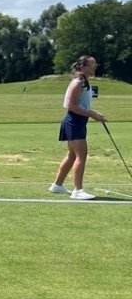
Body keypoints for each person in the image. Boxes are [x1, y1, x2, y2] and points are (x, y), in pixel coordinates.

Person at [50, 55, 106, 200]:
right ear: (82, 67)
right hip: (73, 121)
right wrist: (92, 114)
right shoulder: (77, 82)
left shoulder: (84, 82)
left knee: (72, 155)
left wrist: (93, 113)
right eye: (92, 65)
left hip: (78, 121)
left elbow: (81, 105)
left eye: (95, 65)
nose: (94, 68)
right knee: (81, 155)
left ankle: (58, 185)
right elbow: (70, 105)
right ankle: (78, 190)